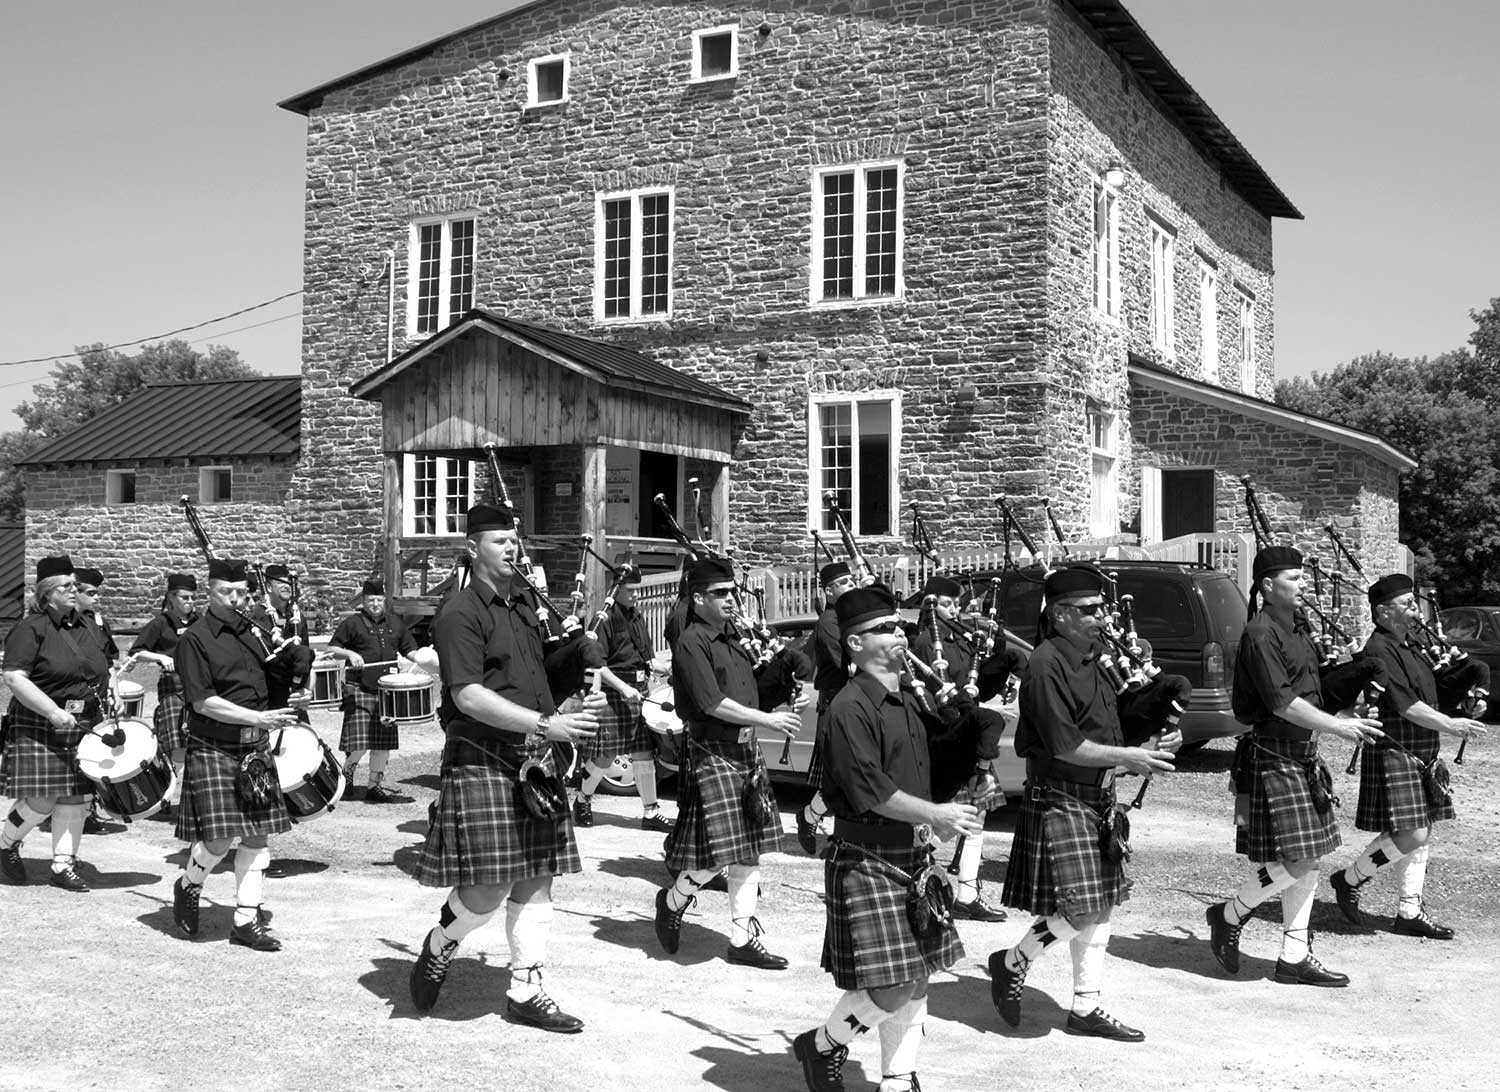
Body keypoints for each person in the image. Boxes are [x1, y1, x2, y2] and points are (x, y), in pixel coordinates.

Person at [407, 503, 602, 1031]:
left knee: (538, 879)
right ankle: (441, 942)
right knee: (488, 888)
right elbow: (468, 696)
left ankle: (526, 990)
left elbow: (534, 678)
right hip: (484, 760)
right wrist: (546, 726)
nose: (512, 549)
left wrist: (576, 655)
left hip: (531, 760)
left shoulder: (521, 609)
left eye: (514, 541)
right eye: (499, 541)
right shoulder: (459, 612)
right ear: (472, 549)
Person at [793, 587, 983, 1092]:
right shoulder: (848, 708)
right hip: (867, 854)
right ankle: (823, 1044)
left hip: (911, 855)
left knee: (918, 973)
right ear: (854, 644)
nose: (899, 635)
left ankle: (897, 1079)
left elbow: (926, 772)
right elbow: (870, 790)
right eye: (884, 629)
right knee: (893, 984)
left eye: (899, 626)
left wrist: (970, 760)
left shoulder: (907, 701)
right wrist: (935, 813)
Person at [988, 564, 1179, 1041]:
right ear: (1058, 615)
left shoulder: (1096, 657)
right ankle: (1012, 961)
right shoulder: (1044, 665)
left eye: (1102, 608)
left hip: (1097, 795)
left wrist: (1154, 733)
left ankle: (1086, 1007)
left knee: (1103, 904)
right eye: (1089, 610)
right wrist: (1130, 758)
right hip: (1058, 794)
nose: (1101, 618)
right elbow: (1065, 745)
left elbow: (1113, 725)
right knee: (1079, 908)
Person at [1204, 546, 1382, 987]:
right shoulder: (1260, 633)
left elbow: (1312, 689)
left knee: (1310, 857)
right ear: (1268, 586)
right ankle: (1230, 914)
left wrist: (1346, 697)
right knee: (1300, 859)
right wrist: (1340, 731)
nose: (1303, 585)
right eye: (1295, 579)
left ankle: (1294, 956)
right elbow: (1281, 703)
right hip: (1275, 753)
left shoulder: (1298, 628)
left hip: (1302, 755)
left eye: (1302, 578)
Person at [652, 556, 804, 970]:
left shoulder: (734, 638)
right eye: (719, 594)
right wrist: (768, 720)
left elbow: (749, 692)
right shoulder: (691, 643)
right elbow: (712, 703)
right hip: (713, 750)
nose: (730, 600)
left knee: (750, 849)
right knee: (720, 854)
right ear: (698, 598)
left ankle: (741, 938)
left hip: (744, 750)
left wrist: (785, 696)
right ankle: (672, 901)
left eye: (732, 592)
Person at [1329, 573, 1486, 938]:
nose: (1415, 609)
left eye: (1414, 602)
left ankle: (1409, 910)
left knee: (1422, 831)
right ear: (1383, 612)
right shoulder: (1378, 650)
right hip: (1395, 750)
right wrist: (1452, 725)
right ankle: (1349, 879)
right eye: (1407, 604)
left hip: (1423, 751)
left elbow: (1435, 692)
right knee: (1412, 833)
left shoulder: (1411, 643)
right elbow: (1406, 706)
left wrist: (1467, 700)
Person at [170, 558, 301, 951]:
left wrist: (292, 692)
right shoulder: (194, 639)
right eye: (227, 592)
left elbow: (270, 680)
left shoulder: (256, 633)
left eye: (242, 591)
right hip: (215, 745)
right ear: (210, 593)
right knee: (219, 839)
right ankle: (190, 884)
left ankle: (245, 919)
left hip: (253, 746)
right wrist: (259, 717)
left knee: (258, 835)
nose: (236, 598)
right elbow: (203, 701)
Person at [0, 555, 111, 891]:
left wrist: (112, 693)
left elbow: (104, 665)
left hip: (82, 722)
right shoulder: (30, 629)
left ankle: (63, 865)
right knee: (43, 799)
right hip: (41, 720)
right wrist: (52, 711)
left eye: (75, 585)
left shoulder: (88, 626)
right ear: (47, 593)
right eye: (67, 586)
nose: (74, 591)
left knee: (75, 797)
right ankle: (5, 844)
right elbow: (14, 678)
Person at [909, 574, 1013, 923]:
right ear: (932, 605)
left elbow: (977, 685)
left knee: (977, 811)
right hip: (947, 733)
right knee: (956, 812)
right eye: (949, 603)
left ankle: (967, 892)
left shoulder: (963, 640)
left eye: (957, 603)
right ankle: (915, 857)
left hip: (970, 730)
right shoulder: (925, 643)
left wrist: (999, 663)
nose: (957, 609)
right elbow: (925, 695)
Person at [571, 564, 675, 833]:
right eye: (630, 591)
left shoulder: (637, 616)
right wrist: (622, 688)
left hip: (639, 691)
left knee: (643, 755)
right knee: (605, 757)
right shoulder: (603, 619)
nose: (635, 595)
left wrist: (663, 666)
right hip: (613, 694)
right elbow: (598, 665)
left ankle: (650, 812)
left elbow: (647, 656)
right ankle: (583, 800)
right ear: (615, 589)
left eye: (637, 590)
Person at [326, 578, 421, 803]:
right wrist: (349, 654)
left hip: (388, 693)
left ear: (385, 600)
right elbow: (332, 648)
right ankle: (346, 775)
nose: (376, 604)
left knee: (382, 744)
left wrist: (427, 660)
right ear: (364, 601)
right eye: (371, 600)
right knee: (359, 743)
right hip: (359, 687)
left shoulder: (396, 624)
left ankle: (374, 786)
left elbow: (411, 651)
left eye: (379, 599)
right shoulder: (352, 623)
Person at [794, 561, 857, 855]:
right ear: (829, 591)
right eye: (844, 582)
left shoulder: (850, 618)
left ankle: (835, 831)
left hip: (854, 703)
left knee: (853, 777)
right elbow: (847, 667)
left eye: (852, 580)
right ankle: (810, 815)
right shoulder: (830, 623)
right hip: (838, 704)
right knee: (841, 777)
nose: (851, 586)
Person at [129, 573, 200, 817]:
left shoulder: (200, 621)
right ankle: (168, 796)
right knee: (176, 745)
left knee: (198, 741)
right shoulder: (160, 623)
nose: (190, 602)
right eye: (185, 597)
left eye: (193, 597)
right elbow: (136, 652)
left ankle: (191, 798)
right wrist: (160, 656)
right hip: (173, 687)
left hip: (199, 688)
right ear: (171, 597)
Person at [250, 563, 314, 710]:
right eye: (280, 583)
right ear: (268, 588)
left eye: (288, 583)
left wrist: (306, 691)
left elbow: (307, 659)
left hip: (294, 693)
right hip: (268, 694)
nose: (286, 586)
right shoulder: (258, 616)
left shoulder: (298, 617)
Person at [74, 567, 122, 664]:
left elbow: (109, 658)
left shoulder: (99, 623)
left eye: (96, 593)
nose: (96, 598)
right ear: (75, 592)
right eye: (91, 593)